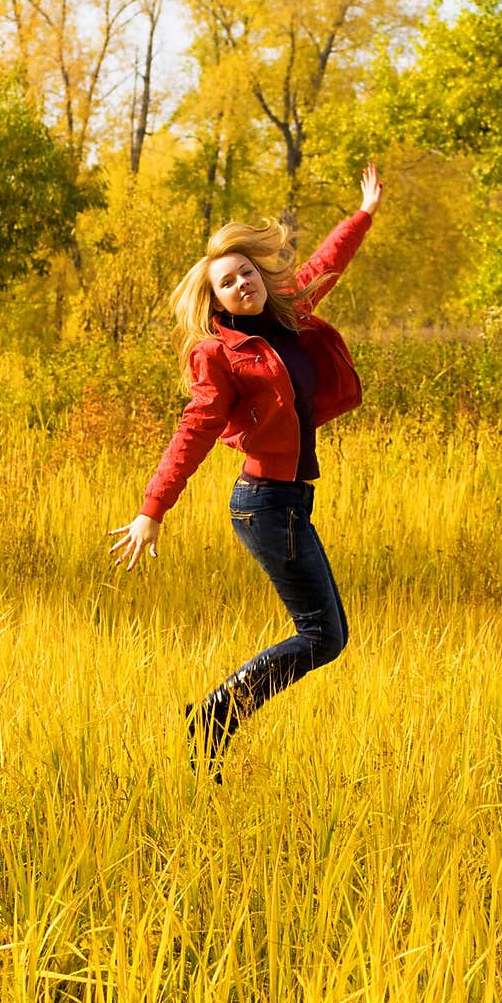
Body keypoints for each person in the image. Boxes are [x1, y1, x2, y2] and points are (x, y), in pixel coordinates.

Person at [109, 163, 384, 781]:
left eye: (247, 274)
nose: (242, 285)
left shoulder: (285, 315)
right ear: (216, 299)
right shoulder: (219, 353)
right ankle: (214, 716)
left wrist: (362, 213)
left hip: (288, 501)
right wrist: (153, 509)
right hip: (264, 505)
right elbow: (195, 429)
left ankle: (214, 718)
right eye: (228, 282)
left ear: (262, 277)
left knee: (327, 636)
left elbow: (327, 263)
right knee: (320, 635)